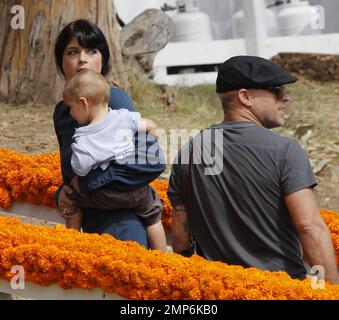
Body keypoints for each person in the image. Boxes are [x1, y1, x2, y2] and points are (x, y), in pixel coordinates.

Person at [167, 55, 338, 284]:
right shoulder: (284, 150)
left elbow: (180, 229)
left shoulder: (190, 151)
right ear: (245, 97)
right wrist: (328, 290)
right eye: (277, 90)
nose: (286, 98)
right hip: (278, 289)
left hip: (217, 288)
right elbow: (308, 227)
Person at [53, 19, 166, 248]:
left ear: (102, 58)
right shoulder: (63, 112)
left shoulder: (114, 101)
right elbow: (71, 172)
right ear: (61, 61)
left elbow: (150, 160)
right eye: (73, 52)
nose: (82, 59)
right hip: (91, 221)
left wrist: (87, 184)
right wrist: (62, 193)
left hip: (124, 224)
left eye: (91, 51)